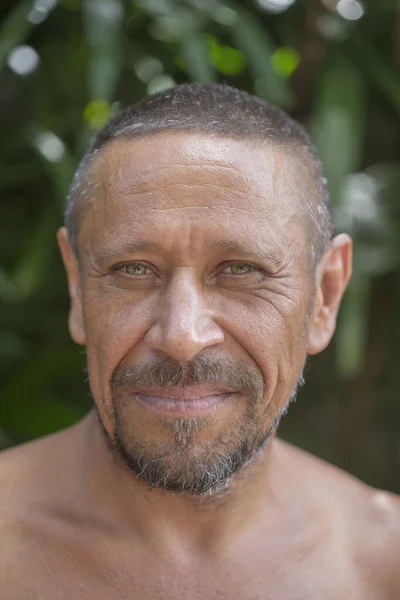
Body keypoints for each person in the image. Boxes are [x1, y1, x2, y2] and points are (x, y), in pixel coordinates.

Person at [1, 83, 399, 599]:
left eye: (241, 270)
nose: (182, 337)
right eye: (133, 269)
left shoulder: (383, 564)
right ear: (78, 288)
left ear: (323, 297)